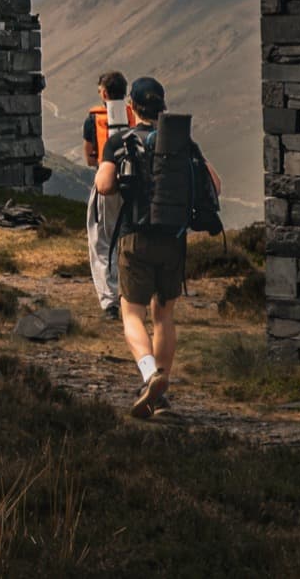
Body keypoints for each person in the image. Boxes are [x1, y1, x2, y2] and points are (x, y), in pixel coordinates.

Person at [94, 76, 220, 419]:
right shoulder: (182, 143)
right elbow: (215, 184)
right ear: (162, 106)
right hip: (174, 239)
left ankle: (150, 374)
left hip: (136, 237)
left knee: (131, 313)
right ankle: (161, 397)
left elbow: (104, 185)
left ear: (132, 107)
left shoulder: (121, 140)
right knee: (163, 315)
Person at [82, 71, 131, 321]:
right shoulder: (135, 114)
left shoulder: (94, 120)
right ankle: (131, 294)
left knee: (102, 240)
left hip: (107, 182)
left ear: (103, 93)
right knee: (129, 238)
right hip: (135, 186)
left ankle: (110, 301)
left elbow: (89, 155)